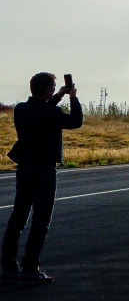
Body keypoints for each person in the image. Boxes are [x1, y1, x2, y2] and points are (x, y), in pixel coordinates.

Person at [3, 72, 82, 285]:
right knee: (41, 221)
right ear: (47, 89)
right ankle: (31, 266)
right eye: (53, 87)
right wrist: (73, 97)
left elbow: (41, 111)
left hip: (25, 168)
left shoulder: (20, 109)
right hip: (44, 171)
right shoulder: (51, 112)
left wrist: (57, 95)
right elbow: (76, 121)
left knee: (18, 217)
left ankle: (8, 266)